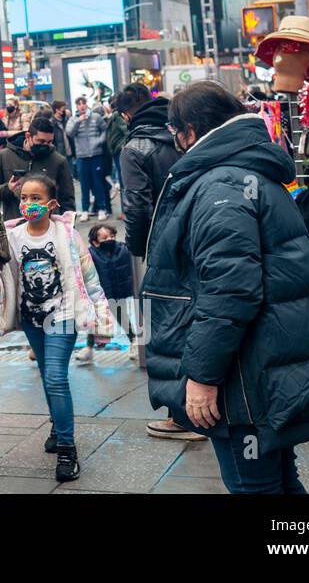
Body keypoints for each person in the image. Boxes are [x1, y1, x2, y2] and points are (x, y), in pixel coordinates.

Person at [142, 82, 309, 493]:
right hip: (263, 365)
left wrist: (201, 377)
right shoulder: (242, 171)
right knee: (278, 481)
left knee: (253, 484)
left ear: (189, 129)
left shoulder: (220, 184)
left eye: (174, 131)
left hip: (245, 375)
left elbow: (229, 292)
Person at [0, 174, 113, 482]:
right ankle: (57, 423)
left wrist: (101, 319)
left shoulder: (68, 235)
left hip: (63, 316)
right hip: (31, 318)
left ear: (52, 204)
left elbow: (89, 277)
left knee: (57, 377)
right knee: (48, 375)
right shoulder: (13, 236)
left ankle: (67, 449)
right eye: (24, 198)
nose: (28, 204)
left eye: (36, 198)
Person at [115, 84, 198, 441]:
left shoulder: (134, 148)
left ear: (124, 116)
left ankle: (182, 416)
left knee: (166, 327)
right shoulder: (183, 132)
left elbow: (137, 206)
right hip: (202, 235)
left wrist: (138, 246)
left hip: (164, 245)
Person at [0, 115, 76, 221]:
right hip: (15, 225)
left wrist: (68, 227)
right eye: (41, 141)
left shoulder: (58, 161)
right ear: (28, 136)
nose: (45, 145)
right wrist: (9, 189)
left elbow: (67, 199)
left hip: (48, 226)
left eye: (49, 142)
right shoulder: (4, 156)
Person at [79, 224, 135, 363]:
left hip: (118, 293)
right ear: (95, 242)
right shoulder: (90, 254)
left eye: (112, 236)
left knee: (123, 318)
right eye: (104, 238)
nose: (110, 239)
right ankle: (89, 348)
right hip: (100, 296)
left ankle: (134, 343)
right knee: (96, 322)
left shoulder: (123, 249)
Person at [65, 97, 110, 221]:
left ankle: (102, 208)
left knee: (98, 183)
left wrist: (99, 141)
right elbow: (69, 133)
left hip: (96, 155)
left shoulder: (96, 117)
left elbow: (105, 130)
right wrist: (78, 121)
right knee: (84, 185)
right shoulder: (73, 119)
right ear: (76, 106)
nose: (82, 106)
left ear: (86, 104)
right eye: (79, 104)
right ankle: (85, 210)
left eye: (83, 103)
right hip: (82, 156)